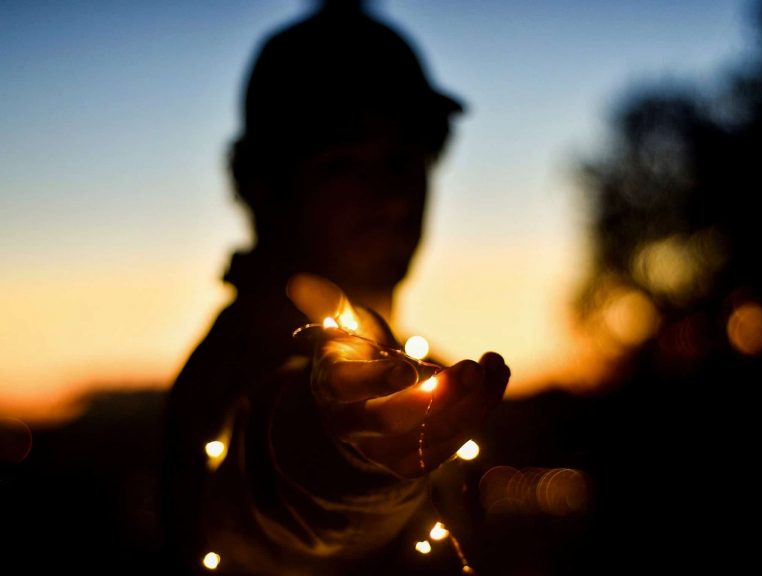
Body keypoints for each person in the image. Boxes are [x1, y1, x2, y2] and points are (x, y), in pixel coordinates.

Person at [161, 2, 510, 575]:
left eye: (406, 158)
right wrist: (341, 450)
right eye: (343, 163)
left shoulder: (419, 377)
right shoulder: (233, 377)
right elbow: (268, 496)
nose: (391, 196)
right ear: (260, 184)